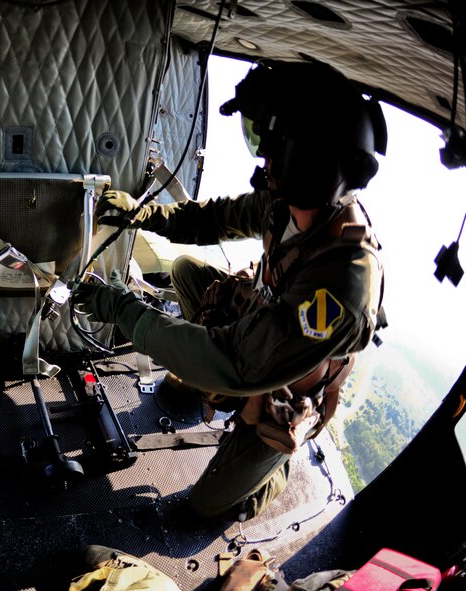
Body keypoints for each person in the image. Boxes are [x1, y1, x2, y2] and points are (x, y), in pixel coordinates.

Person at [75, 60, 386, 521]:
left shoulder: (343, 283)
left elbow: (236, 361)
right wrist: (144, 214)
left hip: (283, 385)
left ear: (306, 157)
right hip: (260, 331)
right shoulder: (286, 205)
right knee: (187, 271)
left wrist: (122, 310)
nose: (264, 159)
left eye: (272, 144)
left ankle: (273, 467)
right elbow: (213, 219)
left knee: (206, 506)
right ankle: (201, 378)